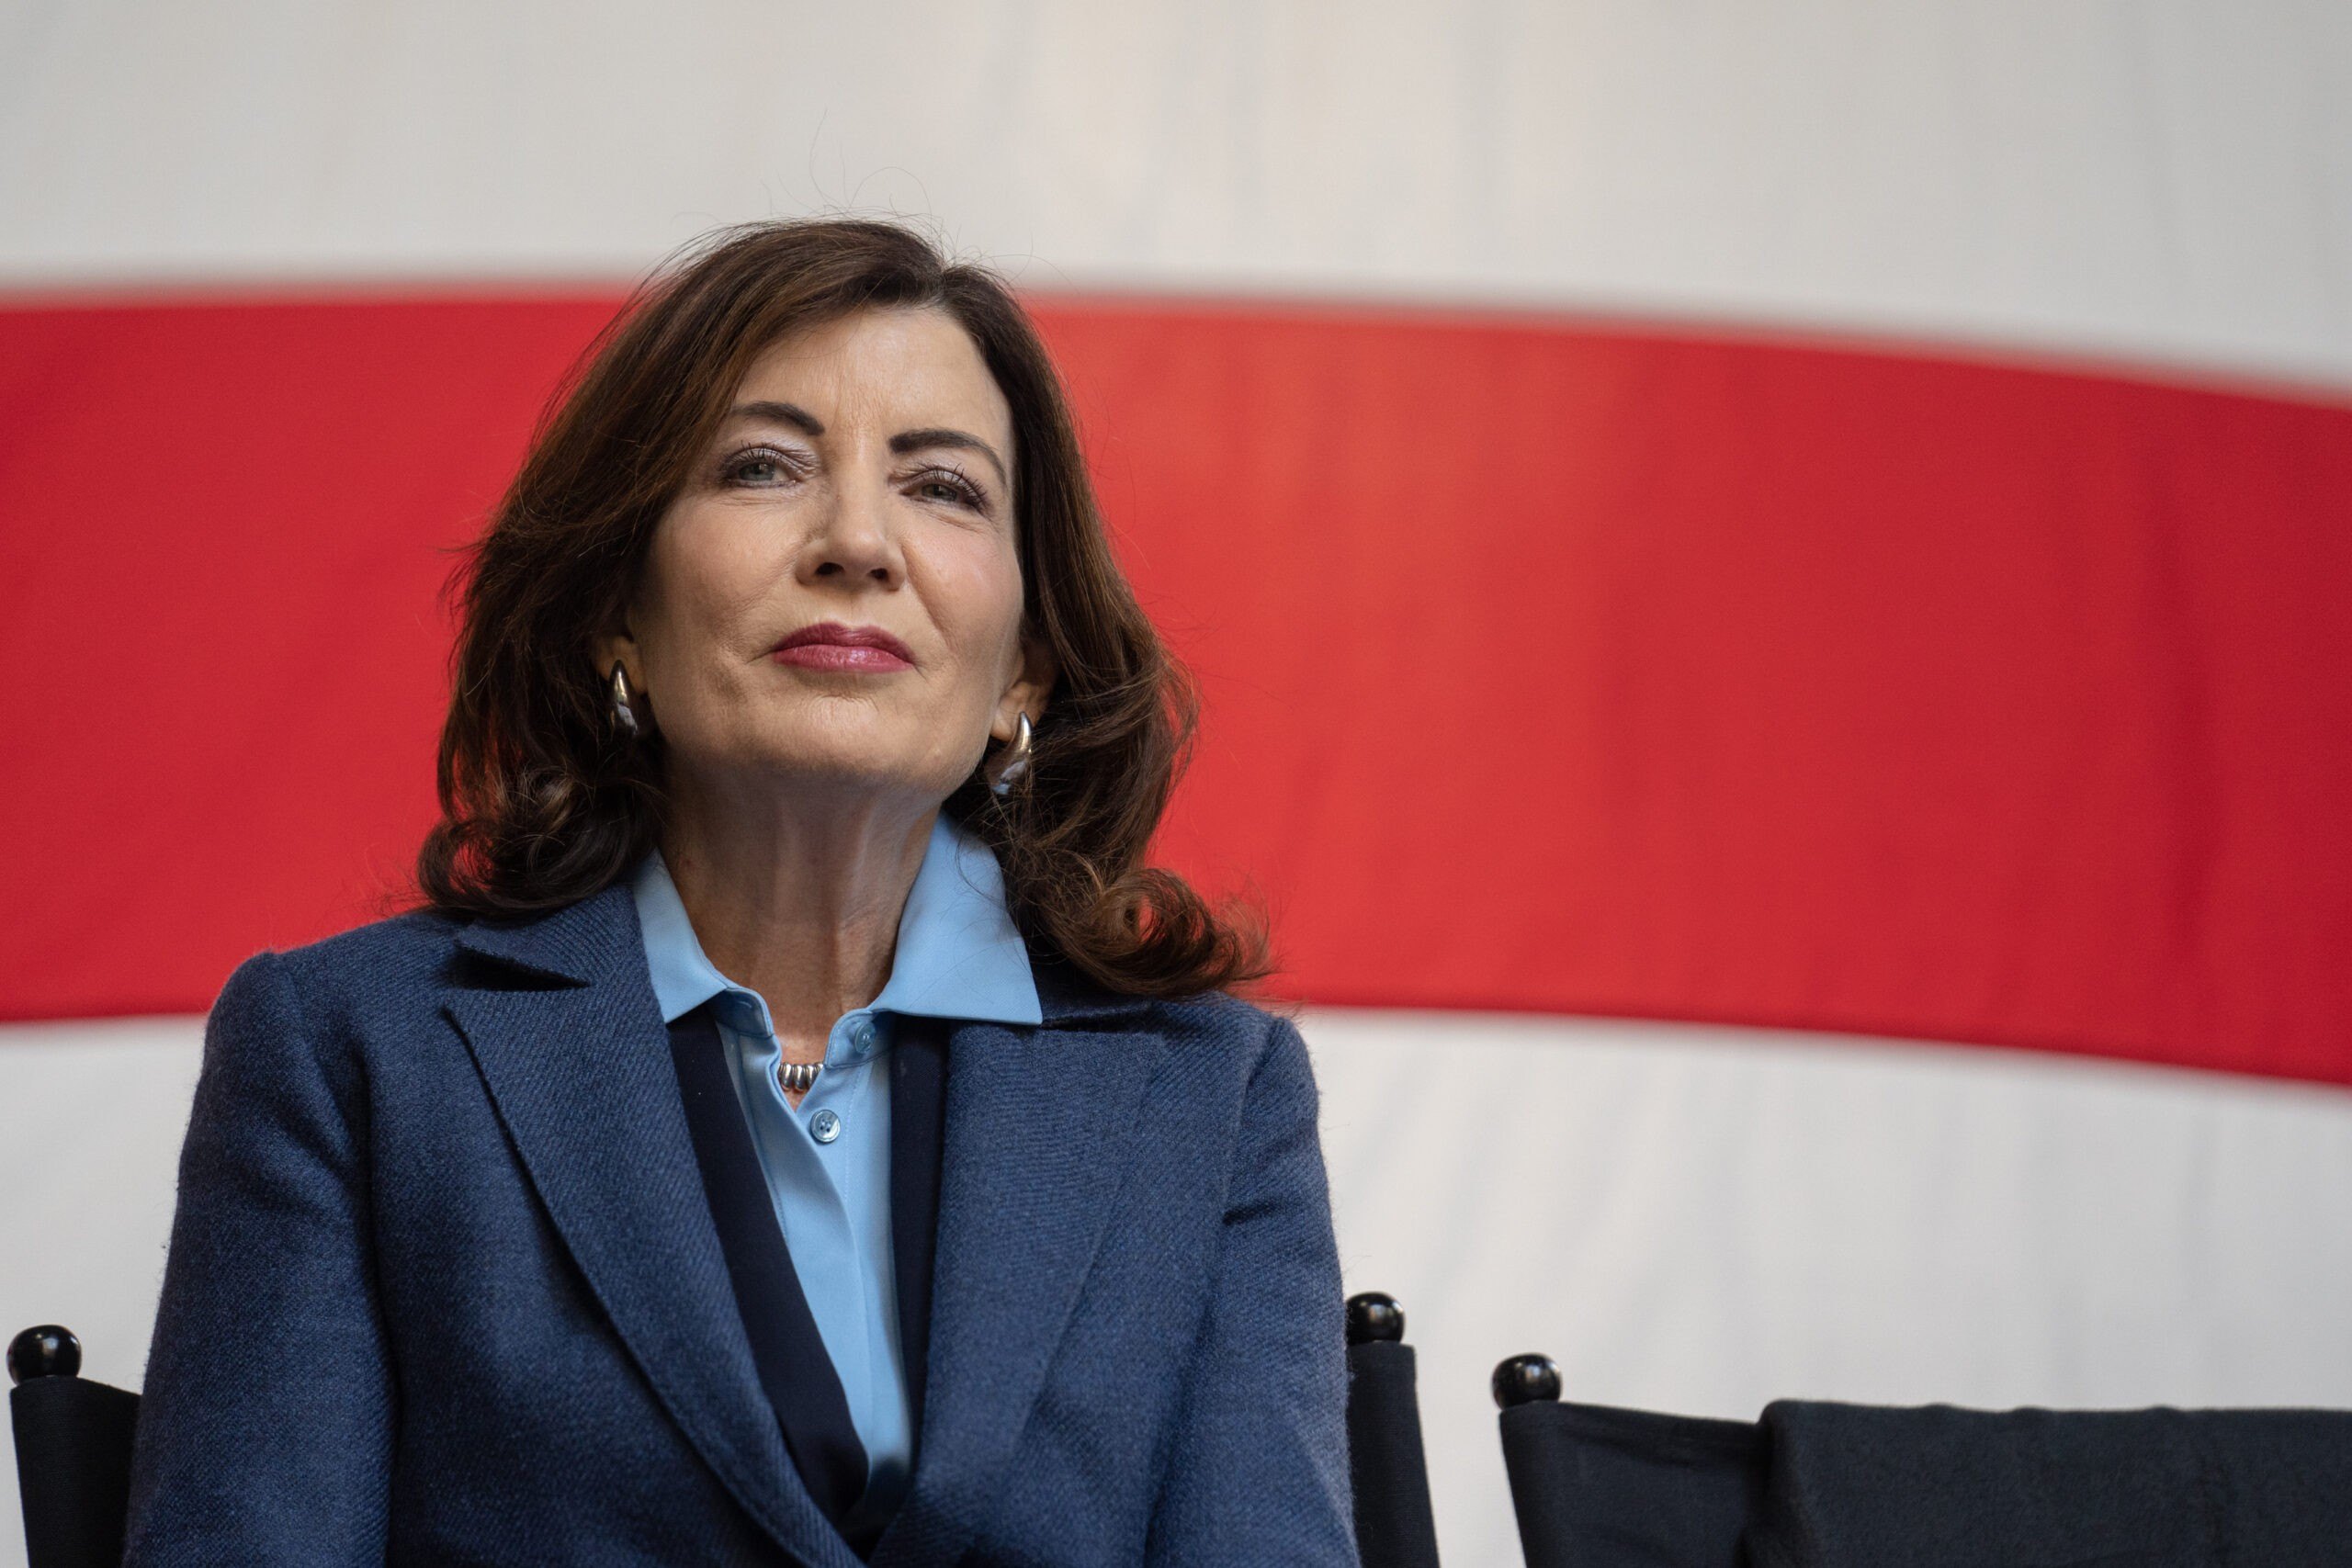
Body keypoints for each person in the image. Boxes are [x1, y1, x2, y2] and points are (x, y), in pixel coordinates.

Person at [123, 219, 1355, 1566]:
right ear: (617, 615)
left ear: (1026, 670)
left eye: (943, 487)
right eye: (763, 467)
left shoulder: (1214, 1095)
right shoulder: (346, 1056)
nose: (857, 542)